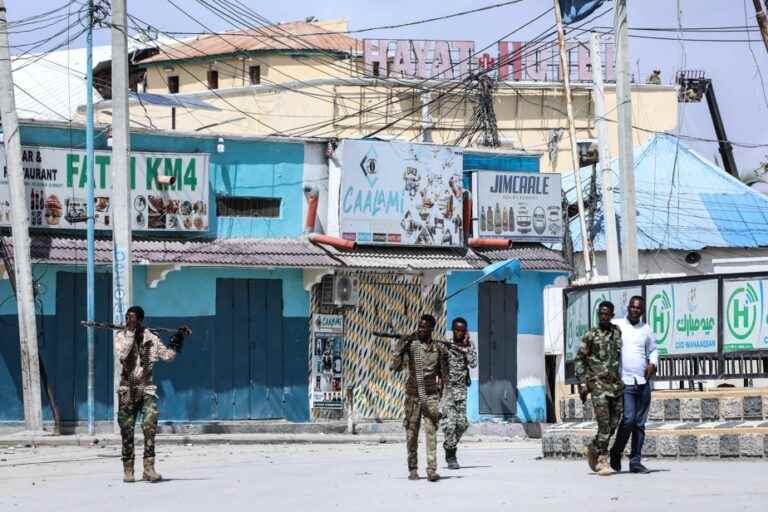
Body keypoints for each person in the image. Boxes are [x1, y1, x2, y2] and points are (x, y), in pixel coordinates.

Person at [116, 306, 185, 483]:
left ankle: (149, 468)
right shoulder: (121, 336)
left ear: (140, 319)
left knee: (150, 425)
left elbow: (167, 356)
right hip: (128, 389)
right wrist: (132, 335)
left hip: (147, 389)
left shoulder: (152, 338)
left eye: (132, 318)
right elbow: (123, 356)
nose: (128, 321)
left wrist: (177, 340)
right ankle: (128, 469)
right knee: (127, 429)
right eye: (127, 318)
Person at [390, 314, 449, 482]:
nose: (421, 329)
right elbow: (395, 367)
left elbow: (444, 377)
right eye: (419, 326)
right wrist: (400, 346)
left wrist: (443, 401)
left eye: (424, 327)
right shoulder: (411, 346)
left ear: (432, 329)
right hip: (413, 395)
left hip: (430, 395)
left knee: (431, 432)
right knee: (411, 432)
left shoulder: (438, 349)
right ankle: (413, 468)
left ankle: (432, 470)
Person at [610, 296, 659, 474]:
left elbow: (653, 349)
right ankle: (616, 452)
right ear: (628, 307)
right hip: (626, 382)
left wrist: (652, 364)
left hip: (643, 382)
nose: (635, 310)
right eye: (632, 307)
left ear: (642, 311)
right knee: (629, 420)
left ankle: (635, 461)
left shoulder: (646, 329)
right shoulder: (618, 326)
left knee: (640, 423)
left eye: (638, 308)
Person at [575, 301, 623, 476]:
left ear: (611, 315)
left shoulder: (617, 331)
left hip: (616, 385)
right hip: (598, 386)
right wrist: (582, 383)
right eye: (601, 314)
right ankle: (602, 461)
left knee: (613, 423)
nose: (603, 316)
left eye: (607, 314)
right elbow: (579, 359)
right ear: (598, 315)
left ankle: (594, 447)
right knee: (604, 424)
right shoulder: (590, 335)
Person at [441, 317, 477, 470]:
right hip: (448, 389)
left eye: (463, 330)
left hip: (461, 389)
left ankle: (449, 445)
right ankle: (451, 456)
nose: (460, 333)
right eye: (457, 329)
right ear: (453, 329)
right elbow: (439, 362)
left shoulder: (469, 345)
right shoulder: (446, 344)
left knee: (462, 424)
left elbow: (473, 363)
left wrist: (465, 346)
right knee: (450, 424)